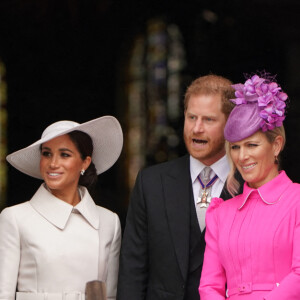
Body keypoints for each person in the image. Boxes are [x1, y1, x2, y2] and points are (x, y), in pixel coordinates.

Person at [117, 74, 243, 300]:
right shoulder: (151, 183)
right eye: (191, 117)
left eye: (209, 120)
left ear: (230, 123)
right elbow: (133, 267)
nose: (197, 128)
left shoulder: (250, 185)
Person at [199, 73, 300, 299]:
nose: (242, 156)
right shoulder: (220, 214)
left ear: (276, 145)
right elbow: (209, 287)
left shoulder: (297, 201)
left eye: (251, 145)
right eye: (235, 147)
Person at [0, 116, 123, 300]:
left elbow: (110, 295)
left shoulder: (109, 222)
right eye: (47, 153)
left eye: (64, 154)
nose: (53, 164)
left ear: (85, 162)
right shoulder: (15, 218)